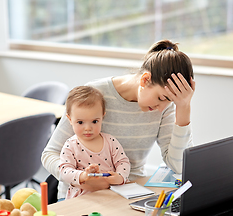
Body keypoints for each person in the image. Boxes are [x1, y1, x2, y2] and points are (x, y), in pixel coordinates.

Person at [42, 39, 196, 200]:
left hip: (129, 194)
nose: (162, 107)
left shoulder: (165, 107)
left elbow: (179, 166)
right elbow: (50, 154)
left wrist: (183, 108)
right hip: (78, 195)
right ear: (145, 80)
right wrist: (80, 178)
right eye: (161, 98)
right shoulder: (95, 94)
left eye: (170, 101)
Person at [59, 86, 130, 199]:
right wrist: (83, 176)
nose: (88, 128)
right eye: (80, 122)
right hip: (83, 197)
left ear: (102, 117)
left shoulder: (110, 141)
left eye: (94, 121)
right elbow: (64, 171)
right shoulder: (70, 145)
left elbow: (123, 162)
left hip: (112, 194)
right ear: (70, 120)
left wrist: (120, 177)